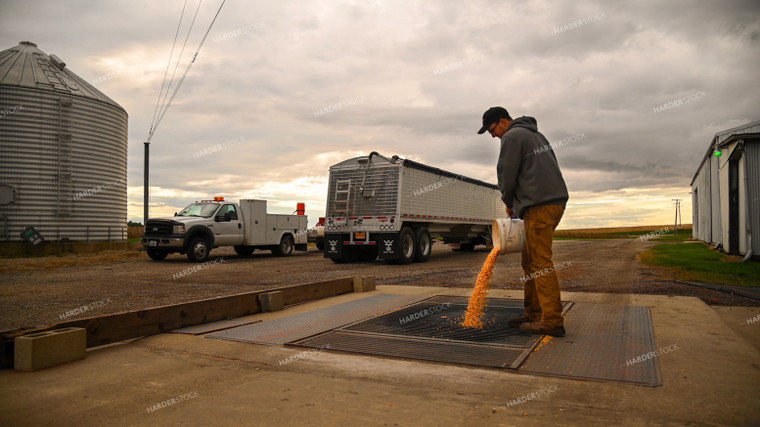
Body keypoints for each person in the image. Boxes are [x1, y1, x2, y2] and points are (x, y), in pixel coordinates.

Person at [477, 106, 569, 337]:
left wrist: (508, 200)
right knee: (530, 261)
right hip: (552, 203)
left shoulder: (512, 137)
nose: (492, 135)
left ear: (502, 122)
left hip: (539, 206)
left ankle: (552, 321)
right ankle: (534, 312)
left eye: (491, 129)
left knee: (540, 263)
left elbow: (507, 173)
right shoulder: (535, 135)